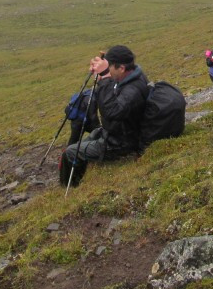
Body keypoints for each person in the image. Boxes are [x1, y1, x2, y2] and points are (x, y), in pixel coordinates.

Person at [62, 45, 150, 187]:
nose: (108, 71)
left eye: (110, 68)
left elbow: (111, 112)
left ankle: (70, 187)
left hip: (120, 143)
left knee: (70, 152)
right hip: (116, 132)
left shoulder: (133, 90)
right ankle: (80, 173)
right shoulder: (132, 76)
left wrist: (104, 80)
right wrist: (103, 77)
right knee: (79, 144)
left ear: (121, 68)